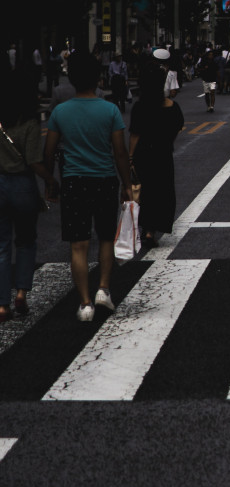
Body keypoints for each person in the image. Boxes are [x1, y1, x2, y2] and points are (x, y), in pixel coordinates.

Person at [43, 51, 132, 322]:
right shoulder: (110, 110)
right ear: (98, 78)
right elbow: (119, 152)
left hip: (74, 181)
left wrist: (50, 180)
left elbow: (49, 152)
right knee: (106, 237)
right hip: (105, 179)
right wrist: (127, 184)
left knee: (78, 245)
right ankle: (103, 288)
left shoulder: (60, 112)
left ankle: (84, 303)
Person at [0, 72, 58, 322]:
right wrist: (50, 179)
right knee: (26, 241)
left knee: (1, 246)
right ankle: (21, 292)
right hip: (22, 184)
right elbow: (34, 161)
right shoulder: (31, 123)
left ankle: (1, 305)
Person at [128, 63, 184, 248]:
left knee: (144, 191)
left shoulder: (140, 107)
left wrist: (130, 158)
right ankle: (152, 230)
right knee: (161, 191)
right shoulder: (172, 107)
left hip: (143, 154)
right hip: (163, 154)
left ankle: (145, 227)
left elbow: (135, 135)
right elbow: (176, 129)